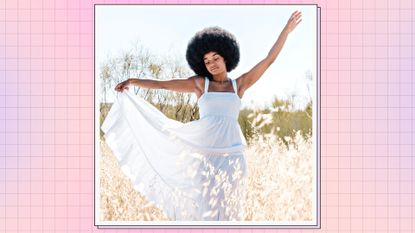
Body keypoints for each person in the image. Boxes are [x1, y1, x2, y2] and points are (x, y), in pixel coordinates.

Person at [102, 11, 302, 221]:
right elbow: (164, 84)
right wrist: (133, 81)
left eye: (216, 58)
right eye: (207, 61)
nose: (212, 63)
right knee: (205, 211)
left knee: (230, 212)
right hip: (205, 157)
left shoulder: (239, 85)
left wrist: (286, 31)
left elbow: (269, 60)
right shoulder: (200, 84)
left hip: (233, 157)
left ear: (227, 57)